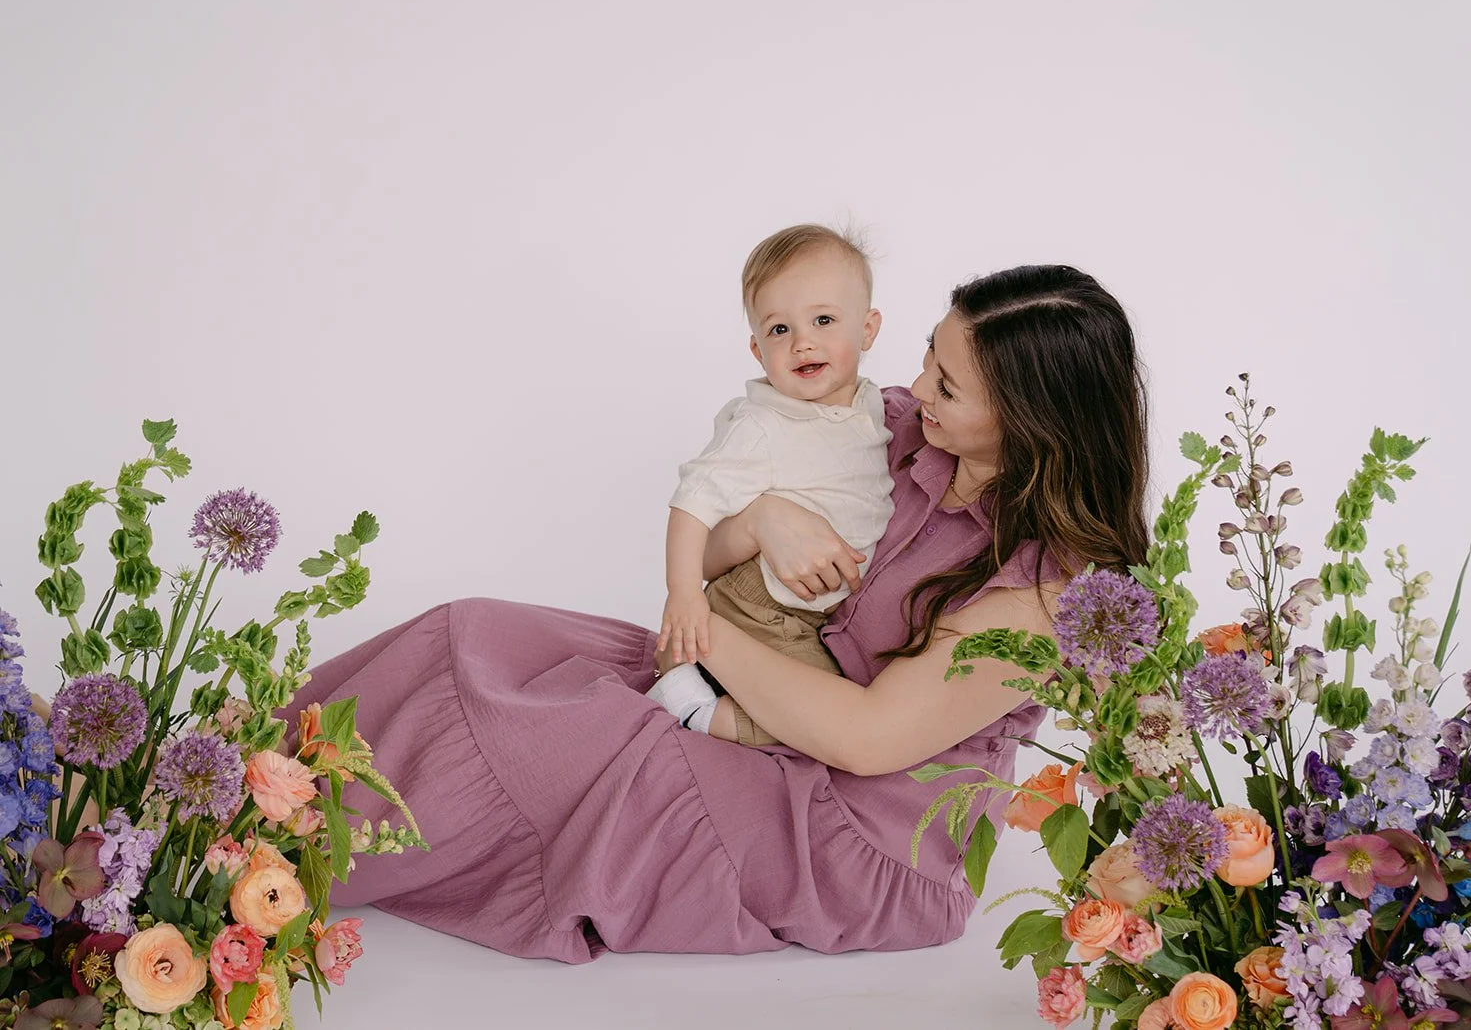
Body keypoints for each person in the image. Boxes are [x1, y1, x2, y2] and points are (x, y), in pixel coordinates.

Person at [289, 263, 1151, 962]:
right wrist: (760, 520)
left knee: (556, 738)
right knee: (477, 635)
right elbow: (702, 554)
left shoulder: (1046, 597)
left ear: (1030, 421)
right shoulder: (882, 428)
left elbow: (866, 740)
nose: (918, 381)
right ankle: (262, 774)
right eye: (930, 350)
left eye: (949, 385)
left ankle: (284, 855)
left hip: (849, 821)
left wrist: (705, 633)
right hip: (750, 683)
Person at [647, 224, 894, 748]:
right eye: (779, 329)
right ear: (758, 350)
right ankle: (693, 708)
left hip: (812, 613)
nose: (802, 342)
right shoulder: (763, 426)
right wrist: (683, 595)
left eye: (823, 320)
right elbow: (692, 502)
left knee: (835, 709)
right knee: (825, 723)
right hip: (765, 607)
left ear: (868, 329)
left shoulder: (871, 405)